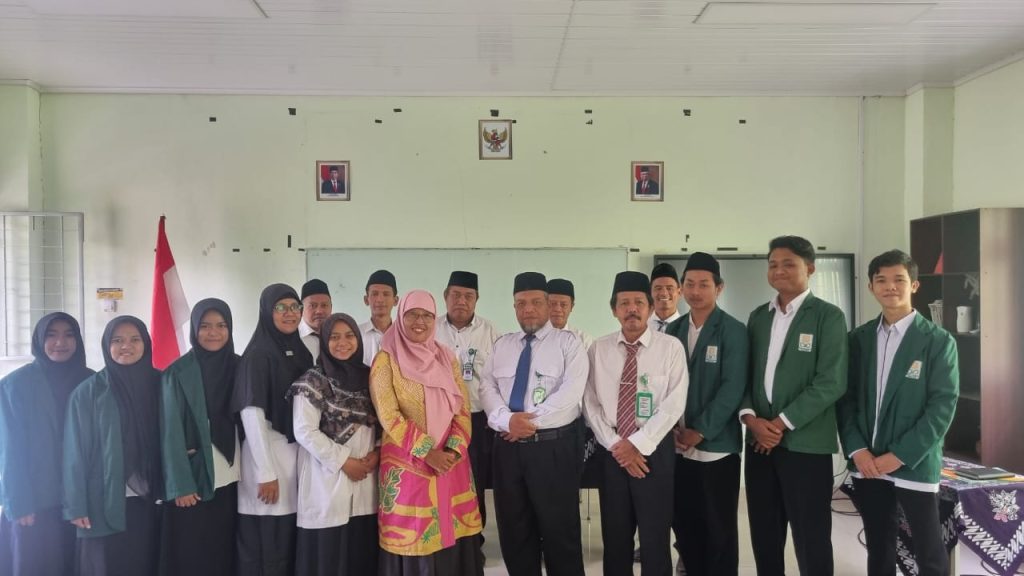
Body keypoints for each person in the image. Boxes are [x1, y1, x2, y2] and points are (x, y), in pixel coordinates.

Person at [838, 250, 959, 576]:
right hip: (868, 462)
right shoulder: (858, 339)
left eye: (899, 280)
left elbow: (942, 406)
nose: (890, 287)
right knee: (879, 546)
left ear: (914, 285)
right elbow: (845, 399)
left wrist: (900, 454)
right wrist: (857, 450)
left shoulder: (937, 341)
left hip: (915, 462)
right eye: (881, 280)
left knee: (929, 548)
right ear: (871, 287)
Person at [740, 236, 848, 576]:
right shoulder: (759, 317)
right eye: (773, 264)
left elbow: (831, 382)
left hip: (806, 445)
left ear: (810, 268)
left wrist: (780, 424)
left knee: (811, 536)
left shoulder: (828, 317)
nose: (779, 270)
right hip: (759, 443)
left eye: (788, 264)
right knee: (765, 535)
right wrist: (752, 420)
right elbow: (744, 377)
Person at [480, 272, 588, 576]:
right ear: (514, 307)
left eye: (536, 302)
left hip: (552, 448)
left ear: (548, 304)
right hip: (508, 450)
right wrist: (506, 421)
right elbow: (486, 387)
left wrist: (525, 423)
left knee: (560, 532)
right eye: (521, 303)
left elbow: (571, 393)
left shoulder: (569, 344)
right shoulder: (502, 345)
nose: (528, 309)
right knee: (514, 530)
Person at [369, 290, 483, 575]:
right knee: (417, 536)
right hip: (408, 463)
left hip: (451, 462)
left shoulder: (445, 357)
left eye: (427, 316)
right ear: (401, 316)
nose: (420, 322)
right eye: (412, 314)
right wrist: (427, 452)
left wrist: (453, 449)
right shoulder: (386, 359)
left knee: (453, 530)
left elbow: (462, 406)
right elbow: (389, 415)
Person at [583, 271, 687, 576]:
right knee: (615, 536)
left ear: (650, 307)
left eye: (639, 302)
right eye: (624, 303)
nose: (632, 309)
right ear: (613, 309)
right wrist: (618, 445)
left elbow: (674, 403)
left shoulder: (670, 348)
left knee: (655, 536)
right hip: (612, 451)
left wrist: (638, 444)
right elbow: (590, 402)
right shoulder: (598, 349)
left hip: (654, 451)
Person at [664, 253, 748, 576]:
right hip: (677, 448)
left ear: (719, 288)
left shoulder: (733, 330)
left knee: (719, 529)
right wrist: (672, 429)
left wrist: (699, 431)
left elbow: (732, 387)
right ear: (681, 288)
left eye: (703, 284)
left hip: (716, 449)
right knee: (685, 525)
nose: (695, 291)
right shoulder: (673, 330)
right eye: (689, 284)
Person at [64, 316, 164, 576]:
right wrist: (76, 505)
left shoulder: (162, 383)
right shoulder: (88, 392)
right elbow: (75, 453)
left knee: (147, 562)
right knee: (108, 565)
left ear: (146, 343)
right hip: (102, 499)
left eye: (134, 339)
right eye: (117, 340)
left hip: (152, 497)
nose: (126, 346)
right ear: (107, 345)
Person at [0, 313, 93, 576]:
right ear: (39, 340)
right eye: (51, 335)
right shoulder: (14, 385)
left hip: (82, 500)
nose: (60, 342)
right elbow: (8, 449)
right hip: (35, 501)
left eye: (69, 335)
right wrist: (18, 501)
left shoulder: (92, 382)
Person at [231, 284, 314, 576]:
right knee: (266, 548)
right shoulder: (258, 354)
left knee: (286, 544)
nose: (289, 313)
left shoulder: (300, 352)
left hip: (294, 458)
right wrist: (266, 472)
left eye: (294, 307)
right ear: (267, 311)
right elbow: (251, 413)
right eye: (281, 308)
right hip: (267, 460)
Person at [289, 313, 380, 576]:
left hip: (366, 479)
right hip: (326, 480)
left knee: (361, 555)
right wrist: (344, 462)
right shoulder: (313, 380)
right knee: (329, 557)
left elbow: (383, 419)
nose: (343, 343)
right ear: (324, 341)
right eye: (334, 337)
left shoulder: (371, 377)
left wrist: (378, 452)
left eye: (349, 336)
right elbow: (304, 430)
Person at [160, 298, 241, 576]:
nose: (213, 332)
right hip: (194, 479)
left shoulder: (240, 365)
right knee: (194, 550)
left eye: (221, 325)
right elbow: (170, 432)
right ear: (194, 329)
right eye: (205, 326)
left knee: (225, 548)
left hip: (234, 475)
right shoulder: (177, 372)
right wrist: (180, 484)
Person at [433, 271, 500, 538]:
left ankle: (474, 540)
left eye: (468, 296)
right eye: (456, 295)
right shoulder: (431, 329)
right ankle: (442, 535)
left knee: (475, 480)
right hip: (438, 421)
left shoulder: (491, 332)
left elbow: (499, 378)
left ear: (476, 299)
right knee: (441, 478)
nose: (461, 301)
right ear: (445, 296)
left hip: (477, 420)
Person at [360, 270, 399, 367]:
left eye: (386, 294)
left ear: (395, 300)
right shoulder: (356, 334)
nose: (380, 300)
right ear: (366, 300)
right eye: (375, 294)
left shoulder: (403, 335)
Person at [547, 278, 594, 351]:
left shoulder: (584, 341)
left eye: (563, 305)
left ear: (571, 307)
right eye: (552, 304)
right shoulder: (533, 338)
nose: (557, 309)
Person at [299, 279, 333, 361]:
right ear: (301, 309)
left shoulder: (339, 336)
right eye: (312, 306)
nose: (319, 311)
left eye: (324, 305)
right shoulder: (293, 338)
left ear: (331, 307)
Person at [649, 263, 682, 333]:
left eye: (669, 288)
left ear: (679, 292)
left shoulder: (687, 328)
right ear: (650, 293)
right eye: (658, 288)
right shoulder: (641, 327)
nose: (664, 293)